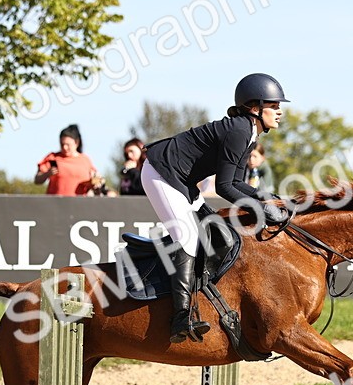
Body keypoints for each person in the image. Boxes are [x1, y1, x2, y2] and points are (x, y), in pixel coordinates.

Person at [140, 72, 290, 343]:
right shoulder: (240, 131)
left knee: (212, 229)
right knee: (187, 236)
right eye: (274, 105)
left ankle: (204, 297)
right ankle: (180, 318)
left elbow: (234, 182)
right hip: (160, 172)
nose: (279, 112)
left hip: (181, 178)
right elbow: (224, 189)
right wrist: (259, 208)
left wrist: (267, 198)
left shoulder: (249, 133)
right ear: (255, 107)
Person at [34, 125, 105, 196]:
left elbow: (96, 179)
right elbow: (37, 180)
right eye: (62, 144)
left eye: (68, 145)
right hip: (56, 204)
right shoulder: (53, 158)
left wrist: (96, 183)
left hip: (79, 204)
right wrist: (47, 174)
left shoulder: (85, 160)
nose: (65, 147)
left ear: (76, 143)